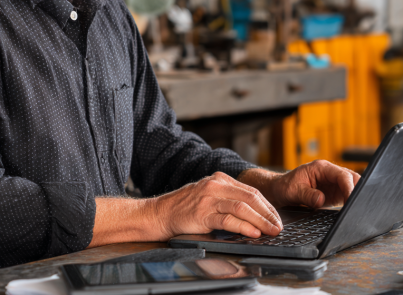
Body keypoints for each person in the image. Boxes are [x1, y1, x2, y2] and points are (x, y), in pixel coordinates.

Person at [0, 0, 360, 268]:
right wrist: (155, 215)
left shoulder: (111, 15)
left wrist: (266, 186)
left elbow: (161, 145)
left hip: (107, 286)